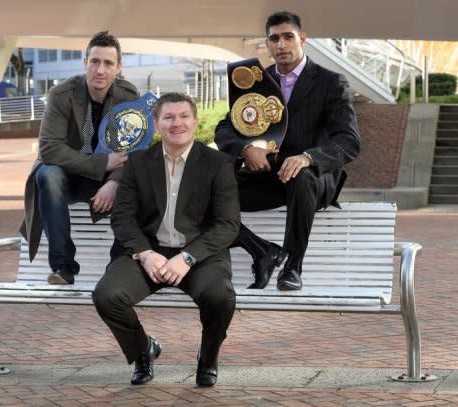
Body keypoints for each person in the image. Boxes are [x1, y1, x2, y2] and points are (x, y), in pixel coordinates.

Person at [93, 92, 240, 387]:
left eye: (184, 116)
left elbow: (228, 224)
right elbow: (122, 218)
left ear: (195, 122)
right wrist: (145, 254)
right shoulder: (137, 163)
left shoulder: (218, 163)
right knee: (107, 297)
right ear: (156, 124)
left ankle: (208, 356)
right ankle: (142, 349)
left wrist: (188, 257)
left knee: (220, 297)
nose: (177, 123)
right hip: (148, 253)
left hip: (198, 256)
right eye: (169, 117)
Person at [215, 11, 361, 291]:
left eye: (287, 37)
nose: (281, 44)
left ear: (302, 39)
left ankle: (293, 266)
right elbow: (225, 128)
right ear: (267, 44)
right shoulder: (256, 81)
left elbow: (349, 140)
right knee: (207, 187)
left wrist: (308, 158)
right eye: (274, 39)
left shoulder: (332, 82)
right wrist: (246, 149)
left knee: (301, 176)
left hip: (312, 181)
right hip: (267, 177)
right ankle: (261, 250)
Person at [19, 31, 139, 285]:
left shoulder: (128, 97)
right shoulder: (61, 95)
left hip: (105, 181)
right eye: (95, 61)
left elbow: (135, 151)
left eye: (108, 63)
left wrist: (114, 181)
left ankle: (118, 269)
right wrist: (102, 163)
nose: (100, 70)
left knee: (136, 185)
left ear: (118, 67)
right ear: (85, 62)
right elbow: (50, 148)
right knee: (47, 174)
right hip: (66, 177)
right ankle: (63, 267)